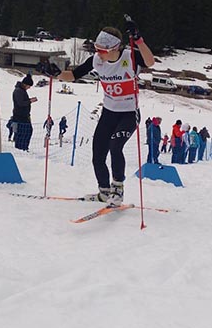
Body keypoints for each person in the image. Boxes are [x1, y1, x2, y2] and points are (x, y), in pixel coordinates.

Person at [56, 19, 154, 206]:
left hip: (128, 114)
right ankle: (104, 192)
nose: (97, 53)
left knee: (116, 146)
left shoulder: (130, 56)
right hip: (109, 113)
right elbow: (73, 75)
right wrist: (55, 73)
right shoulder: (96, 61)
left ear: (114, 48)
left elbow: (150, 62)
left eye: (101, 50)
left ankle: (118, 190)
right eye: (96, 49)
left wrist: (139, 40)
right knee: (98, 154)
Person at [12, 73, 37, 151]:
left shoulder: (22, 90)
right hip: (20, 116)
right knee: (24, 132)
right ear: (25, 84)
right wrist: (30, 101)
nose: (29, 88)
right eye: (28, 86)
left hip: (24, 115)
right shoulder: (18, 91)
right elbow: (20, 103)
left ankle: (23, 147)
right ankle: (21, 148)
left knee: (26, 131)